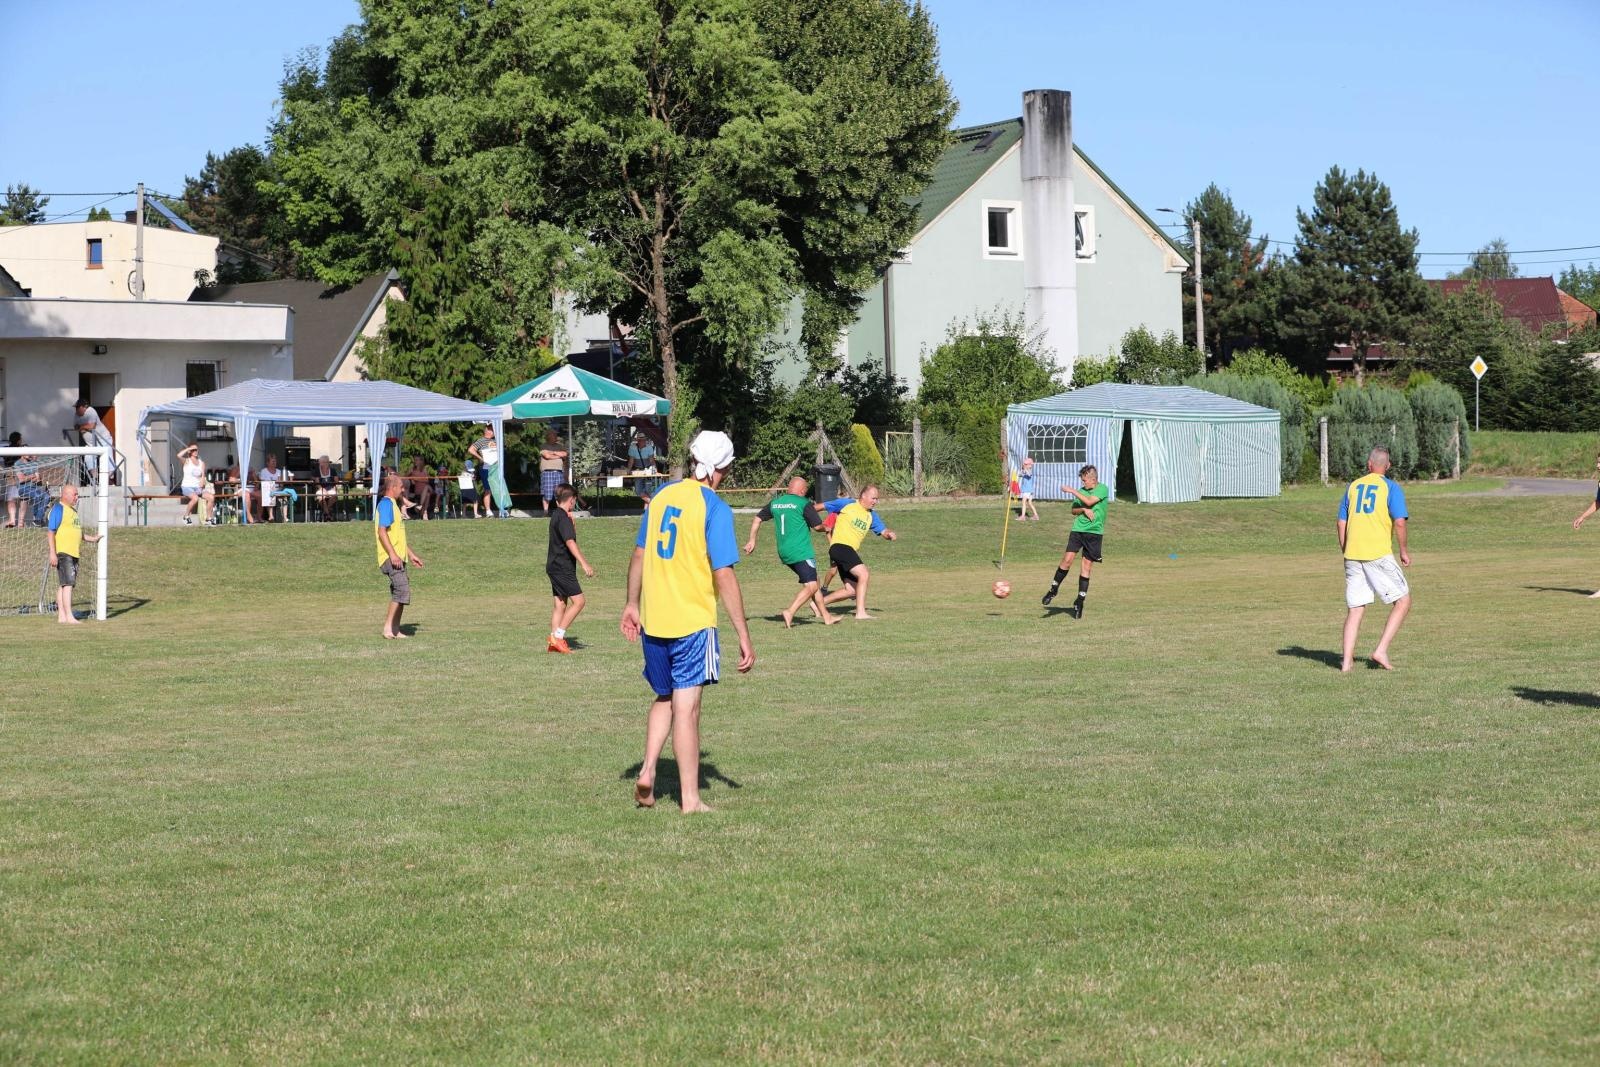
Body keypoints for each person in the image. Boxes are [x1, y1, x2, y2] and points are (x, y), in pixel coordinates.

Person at [621, 430, 754, 813]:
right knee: (687, 708)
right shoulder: (714, 508)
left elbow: (638, 553)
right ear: (721, 469)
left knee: (664, 697)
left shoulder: (662, 495)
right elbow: (723, 573)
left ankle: (647, 770)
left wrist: (632, 603)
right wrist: (744, 634)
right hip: (693, 620)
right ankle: (690, 800)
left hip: (655, 617)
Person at [1338, 446, 1411, 672]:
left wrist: (1346, 548)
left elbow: (1341, 522)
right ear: (1387, 466)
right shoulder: (1390, 487)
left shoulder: (1353, 487)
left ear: (1369, 464)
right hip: (1377, 554)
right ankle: (1380, 650)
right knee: (1403, 601)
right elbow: (1399, 521)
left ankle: (1347, 663)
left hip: (1352, 554)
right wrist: (1403, 550)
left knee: (1356, 608)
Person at [744, 475, 837, 628]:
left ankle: (827, 617)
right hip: (800, 551)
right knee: (812, 586)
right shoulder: (803, 503)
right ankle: (790, 611)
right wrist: (827, 527)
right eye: (806, 490)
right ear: (802, 490)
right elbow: (817, 527)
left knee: (814, 581)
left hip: (784, 551)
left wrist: (752, 540)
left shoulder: (776, 503)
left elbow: (757, 519)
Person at [818, 485, 897, 620]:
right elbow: (819, 507)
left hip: (846, 550)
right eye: (873, 498)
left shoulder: (871, 515)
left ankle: (818, 604)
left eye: (877, 499)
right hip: (840, 546)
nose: (875, 501)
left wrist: (889, 534)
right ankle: (860, 613)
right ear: (863, 496)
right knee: (864, 574)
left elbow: (883, 531)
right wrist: (804, 517)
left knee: (852, 590)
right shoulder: (847, 503)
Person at [1041, 464, 1108, 619]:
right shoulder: (1082, 491)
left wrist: (1072, 491)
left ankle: (1079, 601)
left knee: (1086, 567)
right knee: (1067, 560)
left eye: (1085, 480)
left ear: (1093, 479)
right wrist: (1083, 510)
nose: (1083, 483)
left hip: (1094, 533)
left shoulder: (1102, 489)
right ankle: (1053, 590)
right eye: (1082, 480)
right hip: (1078, 530)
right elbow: (1074, 510)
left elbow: (1090, 502)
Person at [546, 483, 597, 654]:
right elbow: (569, 542)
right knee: (580, 601)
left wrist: (572, 527)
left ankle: (554, 641)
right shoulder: (564, 517)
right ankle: (558, 637)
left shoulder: (556, 515)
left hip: (553, 566)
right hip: (562, 567)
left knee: (560, 604)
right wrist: (584, 563)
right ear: (572, 499)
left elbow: (564, 538)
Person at [375, 471, 424, 639]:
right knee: (401, 589)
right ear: (393, 487)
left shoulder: (393, 506)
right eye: (401, 487)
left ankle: (395, 629)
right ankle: (388, 628)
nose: (403, 490)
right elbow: (382, 532)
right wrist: (392, 554)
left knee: (402, 590)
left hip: (398, 556)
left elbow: (397, 536)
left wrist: (411, 554)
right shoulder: (386, 504)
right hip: (391, 557)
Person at [47, 483, 101, 625]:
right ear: (65, 495)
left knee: (64, 584)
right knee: (68, 584)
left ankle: (62, 616)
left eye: (77, 494)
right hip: (64, 553)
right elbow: (51, 531)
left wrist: (92, 538)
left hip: (74, 553)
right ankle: (70, 616)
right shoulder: (58, 509)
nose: (77, 497)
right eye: (74, 494)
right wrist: (52, 553)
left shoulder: (73, 512)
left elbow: (78, 533)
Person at [73, 399, 115, 483]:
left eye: (78, 407)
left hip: (103, 440)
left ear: (84, 407)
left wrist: (82, 427)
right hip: (91, 443)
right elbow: (75, 427)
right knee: (88, 457)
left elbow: (92, 426)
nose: (76, 409)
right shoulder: (76, 415)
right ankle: (95, 480)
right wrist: (83, 427)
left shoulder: (90, 411)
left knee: (108, 459)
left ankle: (109, 480)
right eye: (76, 408)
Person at [176, 443, 215, 525]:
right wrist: (188, 449)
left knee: (211, 497)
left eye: (196, 449)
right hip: (187, 486)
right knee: (195, 498)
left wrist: (202, 481)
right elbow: (178, 456)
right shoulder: (187, 461)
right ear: (190, 451)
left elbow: (203, 476)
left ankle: (208, 519)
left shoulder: (201, 463)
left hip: (197, 487)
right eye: (193, 450)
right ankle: (186, 516)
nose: (195, 451)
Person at [468, 426, 500, 518]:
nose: (493, 432)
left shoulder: (496, 441)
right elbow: (471, 449)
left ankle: (501, 508)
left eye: (494, 430)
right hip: (486, 468)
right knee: (488, 489)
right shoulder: (481, 440)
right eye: (492, 430)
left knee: (498, 488)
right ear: (487, 430)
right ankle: (488, 511)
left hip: (496, 468)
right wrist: (480, 458)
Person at [258, 454, 297, 522]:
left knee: (284, 495)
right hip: (267, 490)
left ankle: (285, 517)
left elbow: (282, 483)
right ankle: (271, 516)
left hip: (278, 489)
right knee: (269, 494)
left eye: (275, 461)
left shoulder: (279, 471)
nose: (274, 463)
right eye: (272, 461)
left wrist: (288, 479)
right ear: (267, 463)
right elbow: (262, 482)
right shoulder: (264, 471)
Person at [539, 427, 568, 514]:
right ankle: (545, 512)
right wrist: (559, 455)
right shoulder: (543, 446)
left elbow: (565, 454)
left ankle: (560, 512)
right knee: (547, 494)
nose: (556, 436)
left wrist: (553, 453)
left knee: (559, 494)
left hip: (558, 472)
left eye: (556, 435)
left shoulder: (560, 446)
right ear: (549, 436)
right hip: (547, 472)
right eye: (554, 435)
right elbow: (547, 456)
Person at [628, 429, 661, 503]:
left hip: (648, 471)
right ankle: (652, 503)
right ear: (637, 440)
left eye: (643, 440)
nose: (642, 441)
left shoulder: (649, 447)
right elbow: (631, 461)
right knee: (638, 490)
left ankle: (647, 509)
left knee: (648, 490)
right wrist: (628, 471)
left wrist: (655, 470)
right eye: (640, 440)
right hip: (638, 471)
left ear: (645, 440)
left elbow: (652, 461)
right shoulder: (633, 448)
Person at [4, 432, 23, 527]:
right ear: (19, 440)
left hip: (10, 474)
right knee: (22, 499)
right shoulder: (22, 450)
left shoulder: (6, 450)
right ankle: (20, 522)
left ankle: (12, 520)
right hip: (20, 474)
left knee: (11, 499)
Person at [313, 455, 339, 522]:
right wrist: (322, 489)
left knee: (334, 495)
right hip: (321, 488)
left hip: (331, 488)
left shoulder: (332, 470)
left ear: (326, 463)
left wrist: (334, 488)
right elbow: (317, 483)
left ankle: (326, 512)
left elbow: (336, 481)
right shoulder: (317, 471)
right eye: (320, 462)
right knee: (321, 497)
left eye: (321, 462)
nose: (320, 464)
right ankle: (328, 514)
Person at [1017, 457, 1040, 521]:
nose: (1025, 465)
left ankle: (1023, 517)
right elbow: (1019, 475)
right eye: (1025, 464)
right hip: (1029, 490)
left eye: (1026, 464)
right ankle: (1036, 516)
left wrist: (1025, 469)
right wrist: (1022, 469)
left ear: (1030, 465)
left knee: (1023, 502)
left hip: (1028, 490)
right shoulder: (1025, 471)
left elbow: (1029, 474)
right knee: (1029, 503)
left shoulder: (1029, 471)